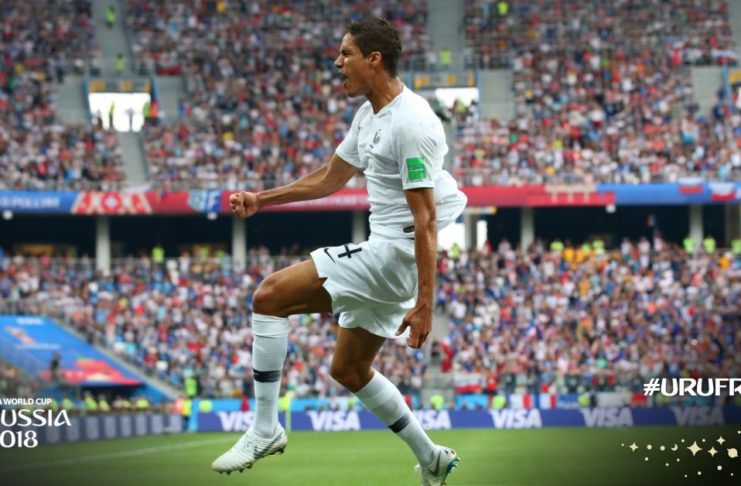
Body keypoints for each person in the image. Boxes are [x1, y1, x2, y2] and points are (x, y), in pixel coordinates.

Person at [211, 17, 466, 485]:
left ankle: (265, 429)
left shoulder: (411, 124)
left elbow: (426, 220)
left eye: (346, 54)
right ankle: (430, 457)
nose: (337, 63)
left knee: (269, 296)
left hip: (393, 256)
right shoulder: (369, 115)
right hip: (387, 253)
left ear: (374, 59)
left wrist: (426, 303)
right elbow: (329, 178)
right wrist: (262, 199)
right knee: (349, 369)